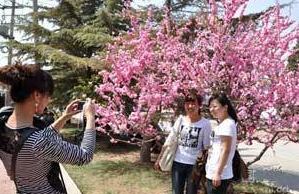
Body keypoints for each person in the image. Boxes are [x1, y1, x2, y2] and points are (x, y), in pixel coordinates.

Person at [0, 64, 96, 194]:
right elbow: (85, 156)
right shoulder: (39, 142)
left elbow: (28, 138)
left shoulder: (4, 122)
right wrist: (90, 117)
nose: (48, 101)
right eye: (48, 96)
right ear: (37, 95)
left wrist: (63, 118)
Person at [155, 92, 212, 194]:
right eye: (187, 103)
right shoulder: (181, 120)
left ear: (199, 105)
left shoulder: (205, 124)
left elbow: (206, 147)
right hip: (178, 163)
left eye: (193, 103)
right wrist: (159, 158)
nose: (190, 106)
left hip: (194, 166)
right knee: (176, 192)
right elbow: (170, 140)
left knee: (191, 192)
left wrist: (205, 166)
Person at [205, 93, 238, 194]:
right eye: (210, 107)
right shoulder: (223, 123)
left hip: (219, 175)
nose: (212, 110)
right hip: (215, 172)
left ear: (225, 107)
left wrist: (218, 173)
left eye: (215, 106)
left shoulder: (227, 124)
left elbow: (226, 150)